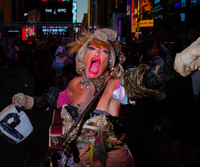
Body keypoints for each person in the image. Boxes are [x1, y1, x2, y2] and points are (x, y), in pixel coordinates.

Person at [12, 29, 200, 167]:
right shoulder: (75, 83)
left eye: (104, 51)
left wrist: (176, 66)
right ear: (82, 56)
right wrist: (30, 101)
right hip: (72, 159)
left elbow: (137, 82)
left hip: (107, 160)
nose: (97, 53)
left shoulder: (114, 85)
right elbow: (56, 100)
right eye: (92, 48)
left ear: (110, 61)